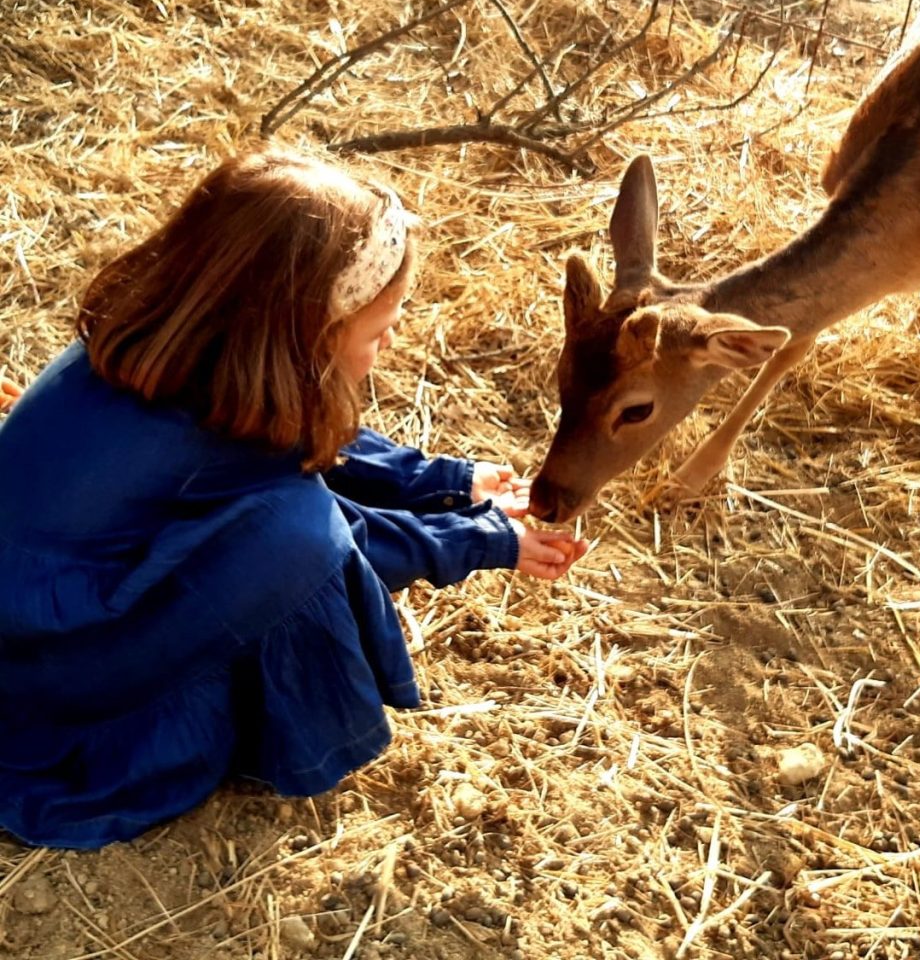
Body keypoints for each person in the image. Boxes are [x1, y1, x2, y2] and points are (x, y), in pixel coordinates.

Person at [0, 148, 587, 849]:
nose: (391, 340)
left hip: (29, 616)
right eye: (378, 330)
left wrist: (445, 482)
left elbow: (288, 436)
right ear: (302, 333)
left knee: (286, 516)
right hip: (48, 670)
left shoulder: (171, 345)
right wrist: (485, 541)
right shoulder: (210, 436)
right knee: (298, 537)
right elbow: (338, 543)